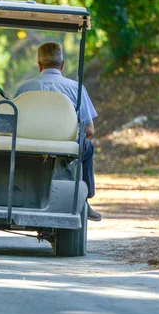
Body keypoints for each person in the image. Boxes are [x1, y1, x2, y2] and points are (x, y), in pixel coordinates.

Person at [17, 42, 101, 221]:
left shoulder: (25, 88)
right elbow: (89, 130)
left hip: (27, 144)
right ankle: (84, 200)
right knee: (87, 146)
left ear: (39, 65)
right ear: (62, 65)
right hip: (65, 145)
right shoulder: (75, 88)